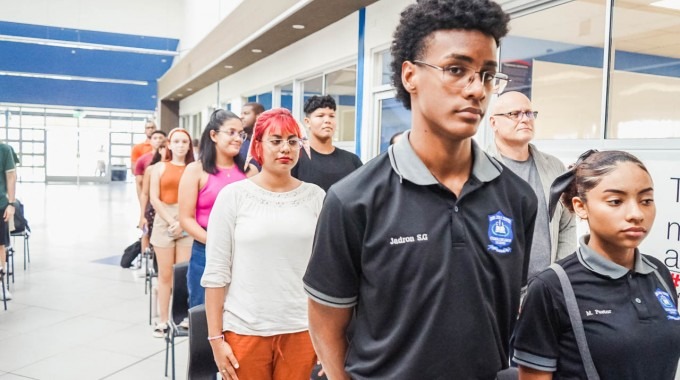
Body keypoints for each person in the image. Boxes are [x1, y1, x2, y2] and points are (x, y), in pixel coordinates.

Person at [302, 1, 537, 379]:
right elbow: (326, 319)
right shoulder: (353, 199)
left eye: (488, 75)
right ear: (410, 75)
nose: (476, 89)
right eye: (457, 70)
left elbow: (505, 312)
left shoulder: (517, 198)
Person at [512, 150, 680, 379]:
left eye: (646, 200)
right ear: (581, 206)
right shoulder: (552, 287)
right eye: (616, 201)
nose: (636, 214)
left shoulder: (658, 273)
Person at [201, 108, 325, 380]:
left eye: (293, 141)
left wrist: (329, 337)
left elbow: (327, 270)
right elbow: (216, 272)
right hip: (245, 329)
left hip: (302, 328)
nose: (286, 148)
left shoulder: (316, 196)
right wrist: (215, 339)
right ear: (257, 145)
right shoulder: (233, 196)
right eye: (276, 140)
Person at [487, 91, 576, 277]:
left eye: (529, 113)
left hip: (545, 288)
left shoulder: (554, 167)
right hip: (497, 287)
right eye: (514, 114)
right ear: (493, 123)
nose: (525, 119)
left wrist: (559, 274)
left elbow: (567, 223)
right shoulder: (479, 168)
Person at [178, 109, 256, 310]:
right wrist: (215, 242)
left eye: (241, 134)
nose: (238, 138)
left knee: (240, 312)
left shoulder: (250, 171)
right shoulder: (196, 170)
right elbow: (186, 218)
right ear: (213, 135)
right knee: (205, 313)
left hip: (244, 252)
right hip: (206, 251)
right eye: (231, 132)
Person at [149, 127, 195, 337]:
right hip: (163, 222)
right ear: (169, 144)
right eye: (176, 141)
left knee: (184, 275)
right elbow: (154, 198)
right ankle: (163, 320)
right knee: (165, 275)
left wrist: (183, 222)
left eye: (184, 142)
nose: (180, 145)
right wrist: (171, 221)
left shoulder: (194, 168)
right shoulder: (159, 167)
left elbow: (199, 197)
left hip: (187, 221)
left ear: (189, 145)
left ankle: (183, 316)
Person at [291, 95, 362, 191]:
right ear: (307, 122)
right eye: (320, 116)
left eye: (331, 116)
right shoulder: (295, 158)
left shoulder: (352, 160)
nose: (327, 120)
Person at [136, 130, 167, 254]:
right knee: (147, 232)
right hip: (152, 205)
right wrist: (142, 214)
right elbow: (143, 190)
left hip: (169, 207)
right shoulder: (150, 167)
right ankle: (145, 258)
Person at [0, 143, 17, 301]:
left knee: (0, 245)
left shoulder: (4, 150)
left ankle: (0, 285)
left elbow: (11, 176)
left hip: (0, 204)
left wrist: (11, 203)